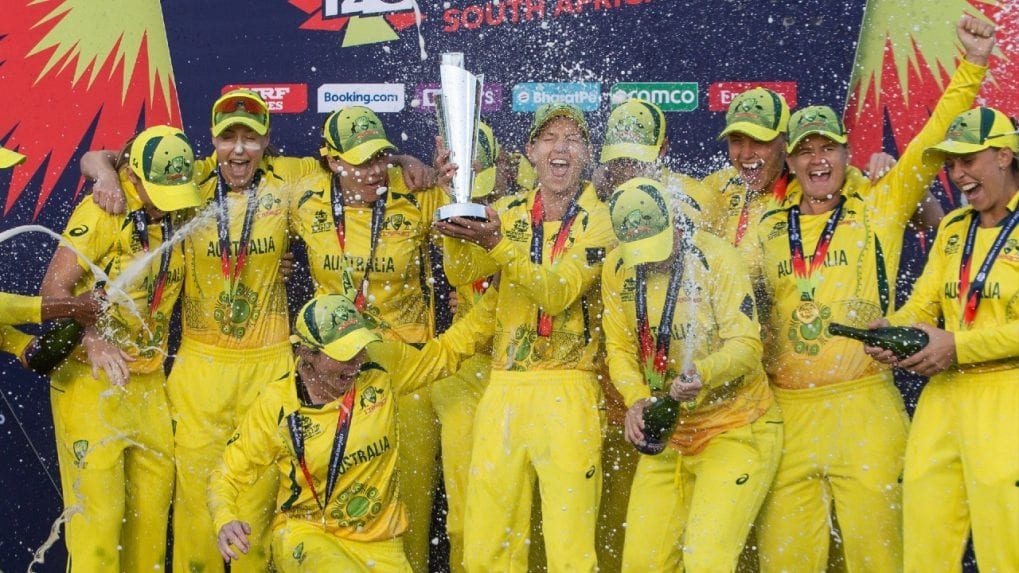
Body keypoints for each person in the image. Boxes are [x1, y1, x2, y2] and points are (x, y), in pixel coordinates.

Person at [752, 16, 993, 572]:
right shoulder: (767, 226)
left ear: (845, 154)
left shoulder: (879, 207)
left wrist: (973, 64)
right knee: (785, 562)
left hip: (865, 408)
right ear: (789, 162)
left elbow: (931, 141)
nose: (818, 160)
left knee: (881, 559)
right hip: (785, 413)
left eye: (829, 148)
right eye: (805, 150)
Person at [434, 102, 616, 571]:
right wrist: (454, 215)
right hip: (505, 386)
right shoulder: (508, 211)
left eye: (572, 139)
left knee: (569, 549)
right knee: (488, 543)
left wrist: (498, 245)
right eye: (549, 138)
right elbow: (462, 273)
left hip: (569, 387)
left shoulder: (602, 219)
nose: (560, 149)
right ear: (531, 152)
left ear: (587, 153)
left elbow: (558, 293)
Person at [209, 291, 495, 571]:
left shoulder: (379, 365)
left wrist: (496, 294)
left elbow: (447, 351)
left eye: (360, 347)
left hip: (382, 543)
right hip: (310, 534)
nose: (356, 362)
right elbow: (226, 475)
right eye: (344, 354)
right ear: (308, 354)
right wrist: (225, 518)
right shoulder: (277, 404)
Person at [287, 104, 451, 570]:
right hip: (334, 372)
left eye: (380, 156)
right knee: (336, 500)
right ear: (332, 160)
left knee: (411, 503)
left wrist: (410, 164)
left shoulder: (416, 195)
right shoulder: (302, 197)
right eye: (360, 160)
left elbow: (476, 232)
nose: (374, 170)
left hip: (406, 371)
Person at [39, 125, 202, 570]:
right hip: (90, 383)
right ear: (132, 175)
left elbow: (103, 156)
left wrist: (103, 167)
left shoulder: (180, 204)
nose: (164, 204)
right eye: (156, 194)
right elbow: (52, 290)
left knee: (149, 525)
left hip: (148, 384)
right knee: (100, 524)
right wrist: (92, 340)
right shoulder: (103, 209)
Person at [864, 106, 1019, 572]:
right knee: (925, 542)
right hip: (943, 398)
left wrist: (958, 347)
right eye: (951, 163)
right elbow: (922, 306)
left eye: (968, 160)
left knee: (1004, 546)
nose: (958, 174)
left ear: (1005, 155)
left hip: (1006, 395)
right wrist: (894, 331)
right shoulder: (954, 227)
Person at [602, 177, 781, 572]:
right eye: (639, 253)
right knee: (641, 564)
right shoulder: (617, 267)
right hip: (670, 433)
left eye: (657, 248)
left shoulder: (717, 258)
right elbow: (619, 348)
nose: (649, 261)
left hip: (734, 427)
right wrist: (636, 399)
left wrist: (705, 372)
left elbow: (747, 345)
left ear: (675, 225)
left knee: (706, 561)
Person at [428, 120, 512, 573]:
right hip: (464, 375)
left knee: (512, 516)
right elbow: (459, 275)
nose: (478, 202)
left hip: (513, 375)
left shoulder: (523, 214)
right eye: (468, 190)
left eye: (485, 186)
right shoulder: (442, 207)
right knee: (462, 521)